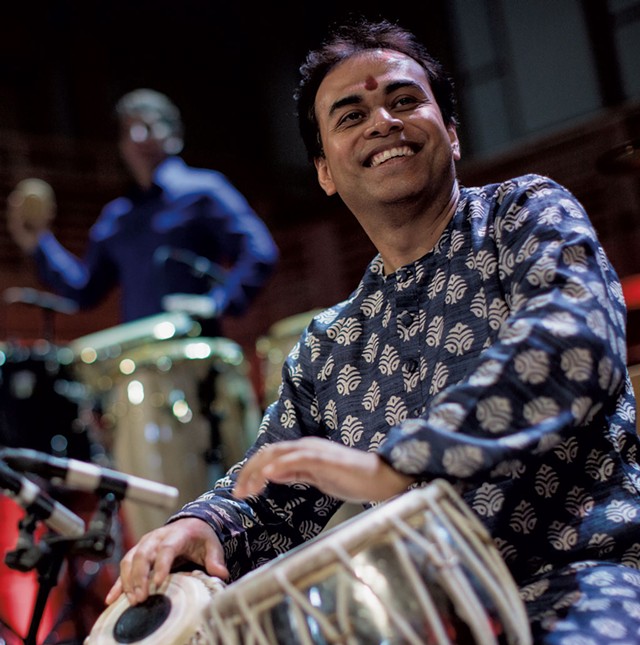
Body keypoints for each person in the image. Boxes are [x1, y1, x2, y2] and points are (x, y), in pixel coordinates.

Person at [104, 17, 640, 643]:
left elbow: (567, 346)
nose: (383, 122)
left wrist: (397, 464)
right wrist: (203, 526)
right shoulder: (330, 346)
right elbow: (270, 485)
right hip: (426, 618)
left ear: (453, 134)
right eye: (351, 115)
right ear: (326, 172)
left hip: (586, 576)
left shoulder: (523, 214)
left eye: (405, 100)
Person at [6, 88, 279, 337]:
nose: (137, 138)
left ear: (175, 137)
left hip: (197, 350)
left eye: (148, 126)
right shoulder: (117, 216)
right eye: (128, 130)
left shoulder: (203, 189)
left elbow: (260, 250)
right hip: (141, 359)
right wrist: (39, 243)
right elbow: (84, 290)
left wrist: (219, 301)